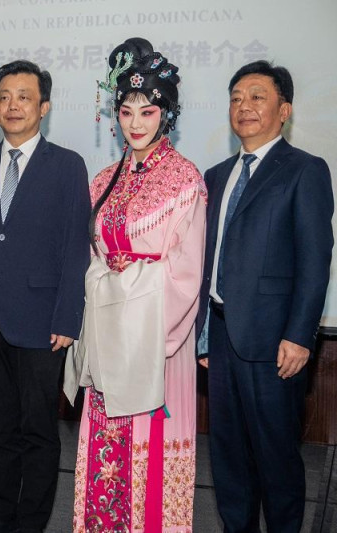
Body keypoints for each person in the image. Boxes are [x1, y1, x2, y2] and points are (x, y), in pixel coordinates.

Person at [64, 37, 206, 532]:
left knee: (151, 452)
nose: (136, 122)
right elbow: (89, 255)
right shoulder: (102, 179)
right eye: (127, 111)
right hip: (108, 336)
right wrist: (105, 289)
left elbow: (187, 273)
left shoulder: (186, 179)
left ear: (166, 114)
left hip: (154, 341)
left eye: (148, 112)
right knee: (106, 451)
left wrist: (135, 309)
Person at [0, 60, 90, 533]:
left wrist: (69, 317)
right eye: (5, 96)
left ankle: (30, 522)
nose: (13, 105)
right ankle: (1, 513)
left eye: (24, 96)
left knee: (38, 431)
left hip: (42, 322)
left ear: (43, 107)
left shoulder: (67, 166)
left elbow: (74, 249)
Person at [197, 60, 333, 532]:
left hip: (276, 343)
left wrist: (300, 335)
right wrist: (202, 337)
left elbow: (316, 262)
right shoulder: (214, 176)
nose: (244, 106)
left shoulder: (305, 171)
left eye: (257, 96)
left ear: (284, 110)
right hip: (220, 336)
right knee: (229, 461)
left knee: (276, 460)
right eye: (236, 98)